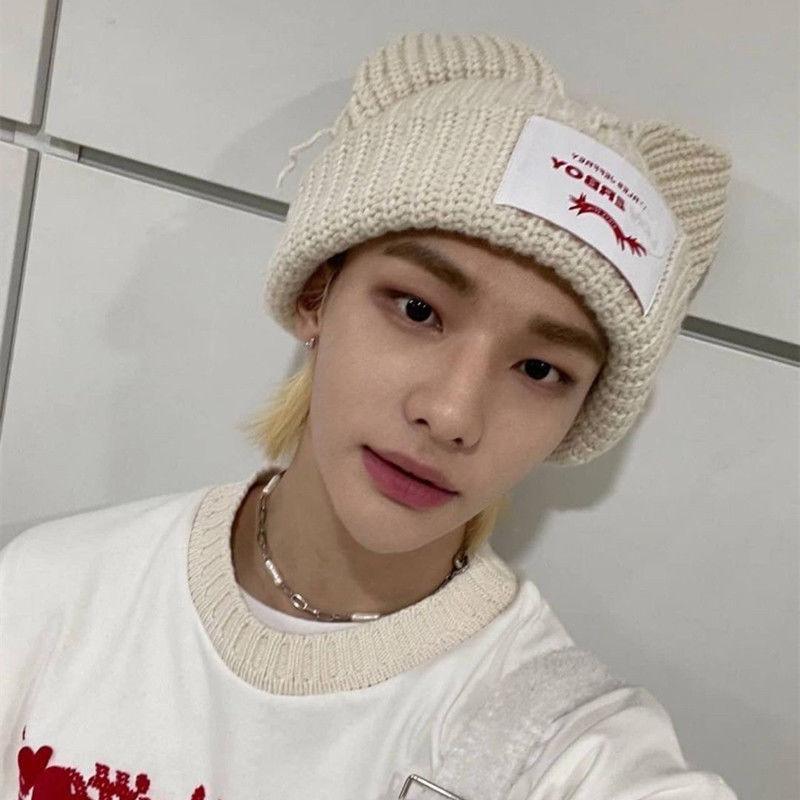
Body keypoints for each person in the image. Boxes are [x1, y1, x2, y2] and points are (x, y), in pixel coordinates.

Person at [1, 31, 737, 800]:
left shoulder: (565, 748)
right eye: (417, 309)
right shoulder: (53, 592)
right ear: (316, 294)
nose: (451, 414)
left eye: (539, 369)